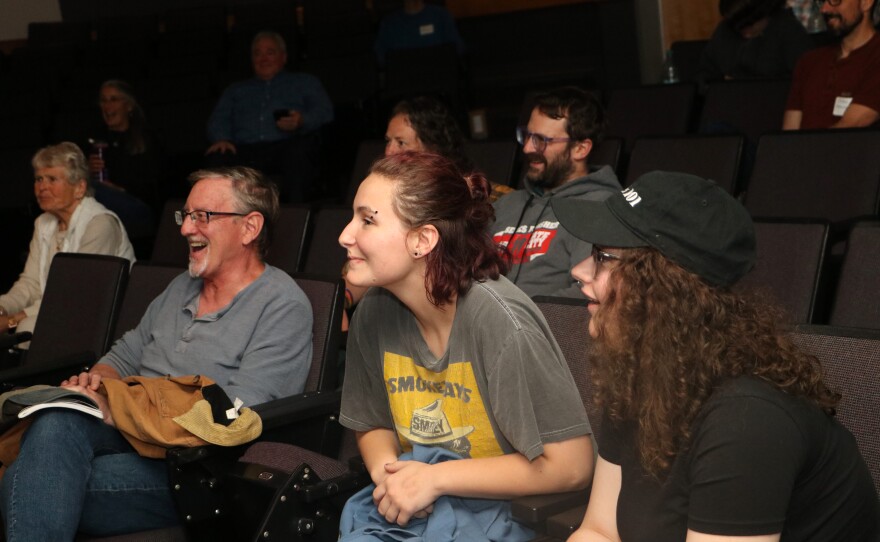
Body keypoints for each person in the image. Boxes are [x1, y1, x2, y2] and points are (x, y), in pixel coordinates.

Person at [552, 171, 879, 541]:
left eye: (603, 257)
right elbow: (600, 530)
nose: (578, 271)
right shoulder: (641, 374)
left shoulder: (748, 419)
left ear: (664, 285)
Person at [0, 166, 314, 540]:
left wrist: (124, 411)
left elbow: (237, 417)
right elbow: (124, 355)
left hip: (198, 466)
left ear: (250, 227)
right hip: (132, 436)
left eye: (204, 216)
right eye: (186, 215)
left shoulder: (282, 305)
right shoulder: (182, 286)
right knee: (54, 424)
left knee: (33, 478)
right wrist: (94, 383)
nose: (185, 228)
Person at [337, 152, 593, 539]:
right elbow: (371, 422)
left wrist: (436, 479)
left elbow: (572, 465)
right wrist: (391, 478)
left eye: (367, 220)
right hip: (417, 510)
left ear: (423, 240)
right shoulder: (373, 311)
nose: (345, 235)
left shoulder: (501, 323)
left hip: (501, 517)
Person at [491, 87, 621, 299]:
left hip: (547, 328)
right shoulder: (506, 205)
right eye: (526, 136)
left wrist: (514, 320)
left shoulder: (598, 207)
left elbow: (588, 294)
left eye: (542, 141)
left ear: (580, 149)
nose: (527, 149)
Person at [0, 142, 135, 339]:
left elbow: (76, 294)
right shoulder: (43, 223)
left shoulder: (100, 224)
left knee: (27, 327)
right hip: (58, 311)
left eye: (52, 179)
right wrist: (2, 308)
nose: (42, 187)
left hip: (100, 319)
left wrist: (13, 320)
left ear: (79, 187)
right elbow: (30, 284)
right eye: (39, 179)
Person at [206, 31, 334, 203]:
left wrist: (302, 120)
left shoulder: (304, 82)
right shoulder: (235, 90)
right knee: (219, 156)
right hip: (245, 150)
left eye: (270, 52)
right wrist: (221, 138)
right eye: (257, 53)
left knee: (300, 153)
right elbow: (218, 118)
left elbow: (325, 111)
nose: (263, 58)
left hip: (286, 146)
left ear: (284, 57)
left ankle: (296, 215)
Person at [384, 95, 514, 202]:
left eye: (401, 143)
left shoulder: (483, 197)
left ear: (432, 149)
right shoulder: (385, 194)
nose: (389, 151)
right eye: (388, 141)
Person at [783, 0, 880, 129]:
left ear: (866, 3)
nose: (824, 9)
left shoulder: (875, 55)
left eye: (835, 1)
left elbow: (849, 128)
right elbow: (788, 134)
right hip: (803, 147)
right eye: (821, 2)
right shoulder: (810, 61)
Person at [85, 80, 163, 242]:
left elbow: (155, 184)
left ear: (128, 106)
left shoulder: (146, 138)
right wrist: (88, 169)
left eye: (114, 100)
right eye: (104, 100)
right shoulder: (96, 139)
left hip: (138, 207)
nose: (107, 106)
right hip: (102, 204)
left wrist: (120, 190)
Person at [699, 0, 812, 84]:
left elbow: (802, 83)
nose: (745, 33)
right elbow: (705, 76)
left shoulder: (788, 30)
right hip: (729, 105)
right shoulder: (725, 30)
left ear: (765, 14)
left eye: (750, 25)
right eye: (738, 28)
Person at [374, 0, 465, 65]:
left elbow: (457, 49)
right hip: (404, 83)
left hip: (440, 81)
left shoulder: (441, 16)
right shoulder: (389, 23)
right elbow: (380, 58)